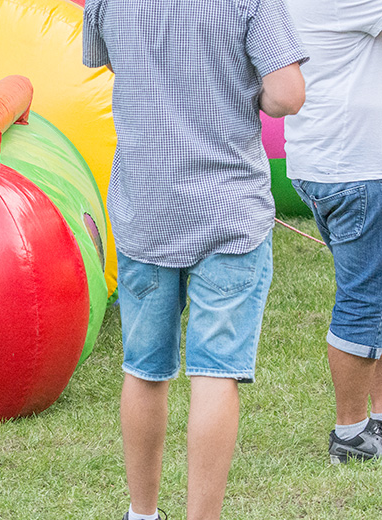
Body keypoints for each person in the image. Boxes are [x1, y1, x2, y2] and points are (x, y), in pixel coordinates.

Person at [83, 1, 307, 519]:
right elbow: (288, 95)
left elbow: (107, 58)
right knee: (215, 372)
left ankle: (141, 513)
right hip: (227, 210)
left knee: (143, 368)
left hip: (146, 206)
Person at [283, 0, 382, 464]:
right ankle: (351, 433)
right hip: (354, 170)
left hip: (324, 162)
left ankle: (375, 421)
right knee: (362, 300)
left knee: (373, 295)